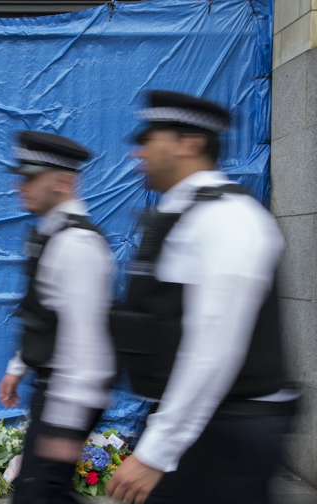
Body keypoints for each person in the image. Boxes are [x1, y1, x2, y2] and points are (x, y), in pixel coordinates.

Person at [107, 90, 297, 504]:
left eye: (149, 140)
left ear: (189, 143)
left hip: (229, 431)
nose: (137, 154)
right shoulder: (183, 213)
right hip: (203, 424)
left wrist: (158, 450)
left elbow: (213, 344)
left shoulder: (228, 218)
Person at [0, 131, 116, 504]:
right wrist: (19, 366)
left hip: (69, 393)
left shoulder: (77, 245)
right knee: (38, 493)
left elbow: (87, 344)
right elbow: (43, 312)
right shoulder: (50, 234)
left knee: (39, 495)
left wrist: (65, 425)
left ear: (63, 181)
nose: (21, 186)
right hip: (54, 388)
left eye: (31, 177)